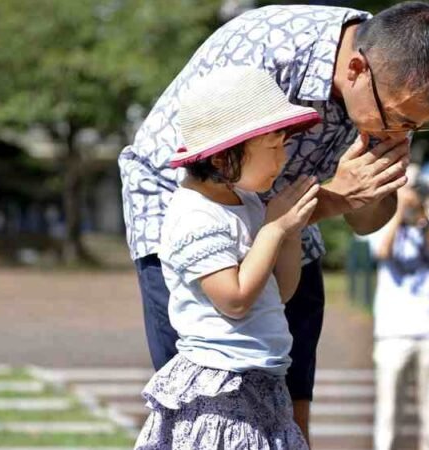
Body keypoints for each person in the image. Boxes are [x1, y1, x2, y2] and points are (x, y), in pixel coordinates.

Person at [119, 2, 429, 440]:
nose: (400, 133)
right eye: (398, 119)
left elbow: (365, 221)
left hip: (286, 211)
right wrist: (329, 199)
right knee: (209, 397)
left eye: (416, 126)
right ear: (357, 69)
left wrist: (361, 189)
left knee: (289, 381)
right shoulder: (270, 53)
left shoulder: (395, 83)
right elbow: (212, 177)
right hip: (184, 196)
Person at [134, 66, 324, 449]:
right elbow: (234, 299)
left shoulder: (247, 202)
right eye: (272, 147)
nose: (282, 159)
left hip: (264, 381)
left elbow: (280, 291)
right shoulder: (196, 215)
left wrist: (288, 232)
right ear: (222, 159)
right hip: (221, 392)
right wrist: (272, 230)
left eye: (283, 145)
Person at [369, 178, 429, 450]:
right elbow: (382, 251)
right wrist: (398, 212)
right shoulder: (378, 223)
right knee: (389, 409)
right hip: (392, 332)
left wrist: (422, 220)